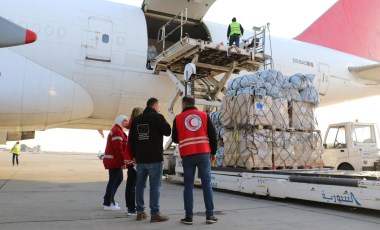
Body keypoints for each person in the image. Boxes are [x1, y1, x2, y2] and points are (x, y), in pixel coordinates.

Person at [172, 95, 218, 225]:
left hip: (187, 155)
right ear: (193, 103)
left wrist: (185, 133)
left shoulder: (178, 118)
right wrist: (213, 152)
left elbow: (175, 138)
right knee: (206, 184)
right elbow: (213, 135)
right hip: (203, 153)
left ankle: (189, 217)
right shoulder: (204, 115)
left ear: (184, 104)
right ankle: (210, 215)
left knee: (188, 186)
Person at [128, 98, 171, 223]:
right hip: (155, 159)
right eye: (158, 106)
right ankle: (155, 213)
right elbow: (167, 132)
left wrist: (135, 155)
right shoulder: (158, 117)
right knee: (155, 187)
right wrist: (162, 119)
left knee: (140, 186)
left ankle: (140, 212)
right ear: (155, 105)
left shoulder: (136, 120)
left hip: (140, 159)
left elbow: (131, 140)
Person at [102, 115, 128, 211]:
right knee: (113, 181)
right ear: (120, 121)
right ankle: (108, 204)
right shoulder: (117, 131)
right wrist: (122, 163)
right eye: (125, 121)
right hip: (115, 161)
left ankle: (108, 198)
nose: (126, 122)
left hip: (114, 161)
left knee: (118, 179)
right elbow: (118, 149)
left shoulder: (118, 130)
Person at [124, 107, 144, 216]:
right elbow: (135, 144)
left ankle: (131, 207)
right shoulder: (136, 126)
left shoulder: (131, 126)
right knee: (132, 184)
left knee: (131, 184)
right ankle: (131, 208)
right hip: (134, 159)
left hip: (130, 158)